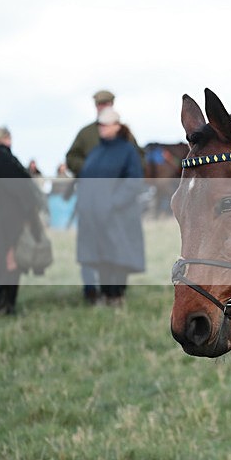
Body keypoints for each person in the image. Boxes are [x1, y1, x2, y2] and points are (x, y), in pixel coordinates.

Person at [66, 89, 140, 303]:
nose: (104, 106)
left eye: (107, 102)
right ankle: (92, 291)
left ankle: (115, 294)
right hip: (92, 208)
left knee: (116, 254)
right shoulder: (87, 134)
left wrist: (115, 197)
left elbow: (136, 168)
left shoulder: (126, 141)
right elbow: (73, 159)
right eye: (100, 103)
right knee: (93, 253)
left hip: (116, 210)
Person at [0, 126, 44, 315]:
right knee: (11, 261)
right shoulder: (5, 157)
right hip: (9, 219)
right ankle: (6, 305)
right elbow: (24, 188)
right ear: (7, 139)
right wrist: (30, 214)